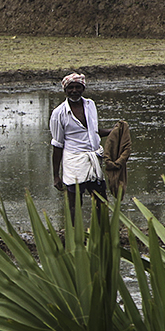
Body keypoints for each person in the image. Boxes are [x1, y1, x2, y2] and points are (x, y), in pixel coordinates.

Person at [49, 72, 112, 220]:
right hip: (74, 162)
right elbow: (57, 145)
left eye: (78, 87)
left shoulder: (90, 105)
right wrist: (56, 176)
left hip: (93, 160)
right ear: (65, 90)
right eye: (71, 88)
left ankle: (102, 234)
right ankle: (75, 236)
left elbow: (93, 131)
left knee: (101, 200)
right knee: (75, 203)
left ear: (83, 88)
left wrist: (114, 130)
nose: (74, 91)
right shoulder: (59, 113)